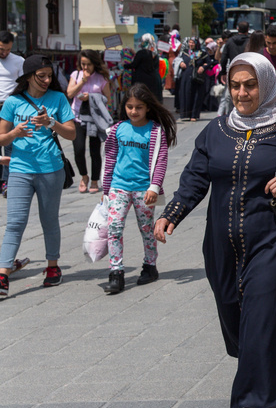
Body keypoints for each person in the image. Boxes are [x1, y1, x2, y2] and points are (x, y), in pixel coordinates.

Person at [155, 53, 276, 408]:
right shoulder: (216, 131)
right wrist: (172, 215)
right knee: (236, 319)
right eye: (235, 86)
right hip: (221, 246)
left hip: (274, 243)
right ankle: (256, 367)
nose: (242, 93)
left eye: (250, 85)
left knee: (262, 322)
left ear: (265, 84)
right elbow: (195, 178)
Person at [0, 55, 76, 297]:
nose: (46, 80)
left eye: (49, 76)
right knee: (15, 223)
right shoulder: (13, 102)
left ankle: (52, 267)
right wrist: (15, 133)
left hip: (51, 169)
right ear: (28, 76)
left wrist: (51, 122)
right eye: (40, 76)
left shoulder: (58, 98)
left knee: (49, 220)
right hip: (20, 170)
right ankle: (2, 274)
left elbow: (72, 134)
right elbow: (1, 138)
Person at [99, 83, 174, 295]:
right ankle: (116, 272)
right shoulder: (117, 129)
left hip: (144, 190)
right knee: (114, 228)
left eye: (139, 107)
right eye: (130, 106)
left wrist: (154, 186)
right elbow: (110, 157)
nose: (133, 111)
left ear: (148, 107)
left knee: (146, 229)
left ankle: (150, 266)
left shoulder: (156, 131)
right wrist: (106, 188)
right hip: (118, 186)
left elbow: (160, 161)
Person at [67, 50, 112, 193]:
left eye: (88, 65)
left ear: (94, 64)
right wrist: (82, 81)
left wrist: (92, 97)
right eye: (83, 64)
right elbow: (69, 93)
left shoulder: (101, 78)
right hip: (77, 117)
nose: (85, 68)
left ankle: (94, 180)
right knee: (79, 149)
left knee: (95, 150)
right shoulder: (76, 75)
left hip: (95, 119)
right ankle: (84, 176)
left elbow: (108, 99)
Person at [0, 31, 24, 195]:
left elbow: (23, 84)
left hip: (9, 105)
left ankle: (8, 182)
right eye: (2, 49)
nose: (5, 53)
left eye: (8, 50)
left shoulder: (18, 61)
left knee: (9, 144)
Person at [127, 34, 164, 101]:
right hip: (155, 80)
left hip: (143, 81)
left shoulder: (141, 53)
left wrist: (123, 65)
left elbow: (134, 65)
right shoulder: (155, 54)